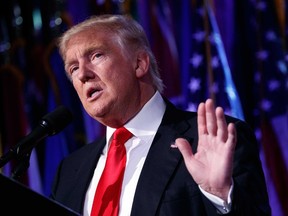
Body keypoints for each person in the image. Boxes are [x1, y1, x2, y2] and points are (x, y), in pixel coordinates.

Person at [50, 14, 271, 216]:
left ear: (139, 64)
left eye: (96, 55)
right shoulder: (69, 172)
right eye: (73, 68)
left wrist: (221, 196)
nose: (83, 75)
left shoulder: (211, 142)